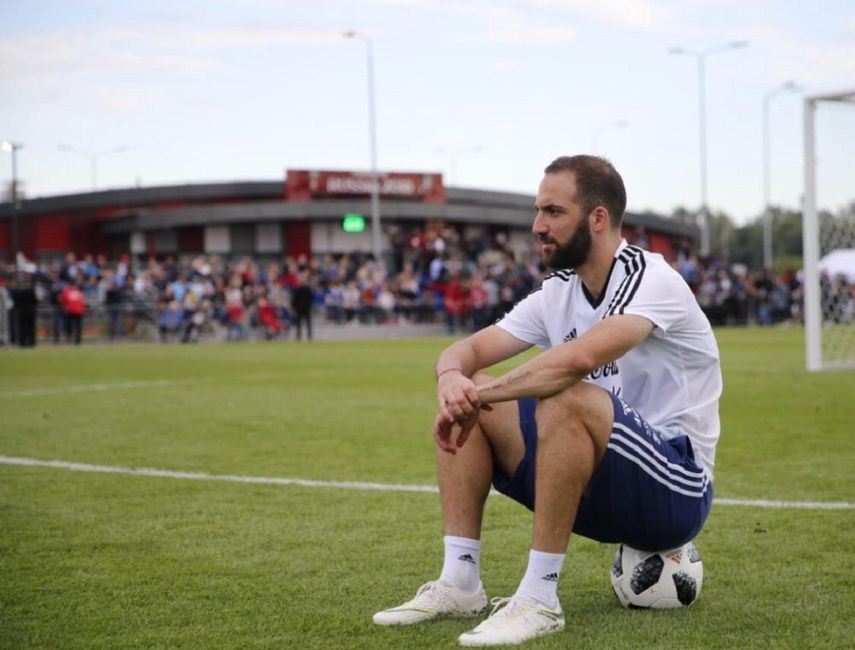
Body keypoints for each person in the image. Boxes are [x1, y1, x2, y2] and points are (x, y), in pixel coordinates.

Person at [373, 155, 722, 647]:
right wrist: (453, 378)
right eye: (539, 212)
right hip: (603, 481)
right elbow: (468, 349)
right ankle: (460, 581)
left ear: (597, 218)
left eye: (553, 212)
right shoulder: (557, 291)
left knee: (562, 395)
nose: (538, 226)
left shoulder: (652, 279)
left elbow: (574, 362)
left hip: (676, 491)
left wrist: (477, 394)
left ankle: (539, 599)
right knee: (478, 392)